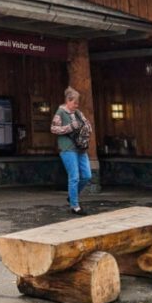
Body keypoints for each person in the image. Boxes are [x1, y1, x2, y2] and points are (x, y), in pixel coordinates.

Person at [51, 87, 92, 215]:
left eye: (77, 103)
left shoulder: (78, 113)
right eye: (74, 102)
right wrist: (69, 127)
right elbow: (54, 129)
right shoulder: (60, 113)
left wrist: (87, 128)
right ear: (68, 101)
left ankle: (72, 195)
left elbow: (86, 124)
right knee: (74, 177)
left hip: (80, 147)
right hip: (67, 148)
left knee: (87, 175)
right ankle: (75, 206)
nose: (76, 105)